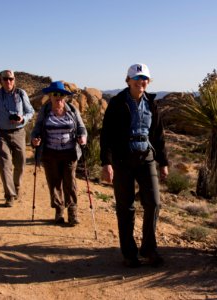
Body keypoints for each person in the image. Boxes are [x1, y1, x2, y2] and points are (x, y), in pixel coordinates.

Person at [100, 63, 169, 267]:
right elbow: (107, 135)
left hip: (146, 157)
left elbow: (158, 135)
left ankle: (148, 249)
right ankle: (129, 253)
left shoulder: (151, 103)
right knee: (126, 207)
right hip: (123, 159)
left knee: (154, 203)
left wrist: (163, 162)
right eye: (137, 78)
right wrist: (107, 163)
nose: (141, 82)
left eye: (145, 78)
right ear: (128, 80)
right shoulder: (117, 102)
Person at [31, 81, 87, 226]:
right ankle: (59, 210)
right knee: (54, 183)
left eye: (61, 94)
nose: (58, 97)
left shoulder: (72, 110)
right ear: (50, 96)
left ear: (65, 97)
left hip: (69, 152)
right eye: (55, 94)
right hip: (50, 153)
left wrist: (82, 137)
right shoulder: (45, 111)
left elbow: (81, 127)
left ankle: (72, 211)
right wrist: (34, 139)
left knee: (70, 183)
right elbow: (37, 129)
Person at [0, 70, 34, 207]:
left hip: (19, 132)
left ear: (14, 79)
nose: (8, 81)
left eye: (10, 79)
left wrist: (22, 119)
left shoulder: (21, 93)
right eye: (5, 79)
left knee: (20, 163)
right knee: (4, 165)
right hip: (2, 134)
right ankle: (10, 195)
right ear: (0, 80)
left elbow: (30, 111)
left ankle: (16, 187)